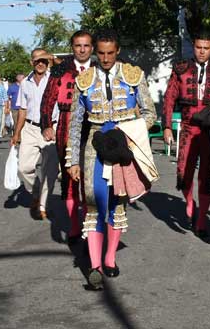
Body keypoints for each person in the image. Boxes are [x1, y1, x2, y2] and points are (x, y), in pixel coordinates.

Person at [66, 30, 157, 290]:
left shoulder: (133, 75)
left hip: (123, 143)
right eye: (101, 53)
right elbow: (75, 125)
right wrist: (73, 160)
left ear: (117, 51)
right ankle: (94, 267)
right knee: (94, 202)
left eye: (110, 53)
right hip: (95, 144)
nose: (105, 58)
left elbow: (150, 113)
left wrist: (130, 132)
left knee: (118, 203)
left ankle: (110, 257)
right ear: (96, 51)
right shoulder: (83, 80)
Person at [162, 29, 210, 237]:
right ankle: (190, 202)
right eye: (198, 47)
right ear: (194, 47)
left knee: (206, 176)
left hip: (209, 130)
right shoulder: (181, 68)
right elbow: (170, 97)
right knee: (184, 172)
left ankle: (201, 221)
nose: (201, 52)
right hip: (189, 127)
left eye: (206, 48)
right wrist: (167, 126)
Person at [40, 30, 94, 244]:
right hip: (67, 123)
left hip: (95, 126)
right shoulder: (61, 69)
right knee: (71, 175)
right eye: (78, 46)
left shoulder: (101, 68)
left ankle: (90, 221)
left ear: (91, 47)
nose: (82, 50)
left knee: (91, 176)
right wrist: (46, 124)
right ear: (72, 47)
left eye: (86, 46)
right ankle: (74, 225)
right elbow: (48, 98)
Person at [10, 49, 58, 220]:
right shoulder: (25, 83)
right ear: (31, 62)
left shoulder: (55, 79)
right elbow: (22, 110)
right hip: (30, 128)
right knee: (24, 167)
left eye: (44, 60)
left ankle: (42, 206)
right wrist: (16, 133)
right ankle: (35, 191)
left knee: (49, 171)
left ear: (48, 62)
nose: (40, 63)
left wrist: (53, 58)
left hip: (51, 128)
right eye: (37, 60)